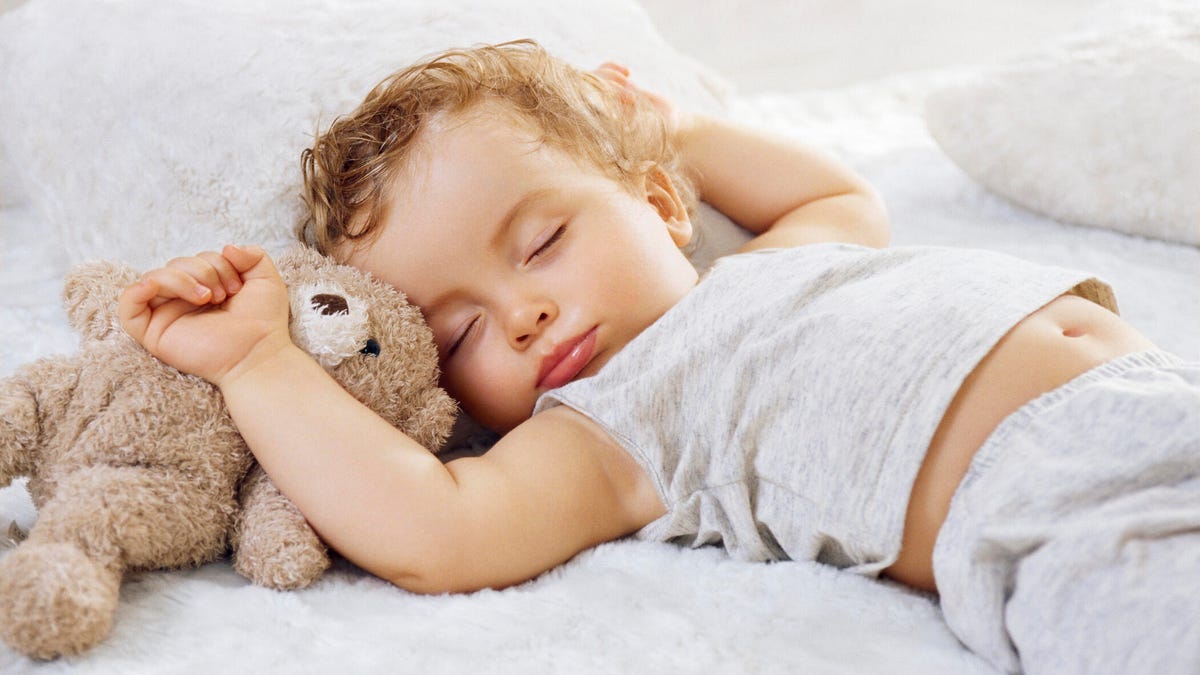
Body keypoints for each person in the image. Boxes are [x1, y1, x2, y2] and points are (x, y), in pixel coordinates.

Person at [118, 41, 1199, 674]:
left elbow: (839, 194)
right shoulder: (611, 430)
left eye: (542, 242)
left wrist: (661, 134)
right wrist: (259, 362)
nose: (527, 314)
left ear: (660, 206)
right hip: (1055, 515)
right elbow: (436, 530)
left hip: (1161, 398)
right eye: (463, 334)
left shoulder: (770, 268)